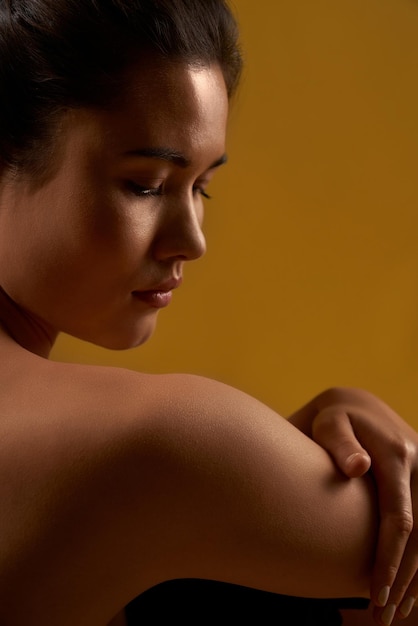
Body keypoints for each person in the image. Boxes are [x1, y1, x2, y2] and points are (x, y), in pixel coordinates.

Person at [0, 1, 417, 625]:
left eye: (201, 187)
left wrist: (284, 448)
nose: (193, 241)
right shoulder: (164, 444)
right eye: (145, 184)